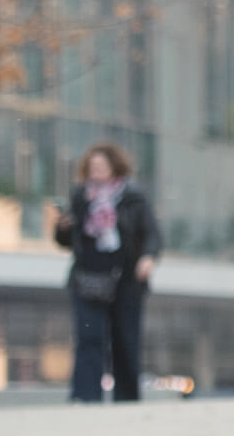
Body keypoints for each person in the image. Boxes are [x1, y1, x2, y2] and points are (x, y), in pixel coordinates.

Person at [53, 142, 162, 403]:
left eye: (101, 167)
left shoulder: (134, 198)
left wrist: (148, 258)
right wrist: (63, 227)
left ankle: (127, 399)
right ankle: (85, 397)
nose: (96, 172)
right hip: (88, 279)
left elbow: (151, 233)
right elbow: (66, 241)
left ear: (114, 168)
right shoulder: (80, 197)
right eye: (92, 168)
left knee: (125, 340)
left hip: (125, 280)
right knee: (89, 337)